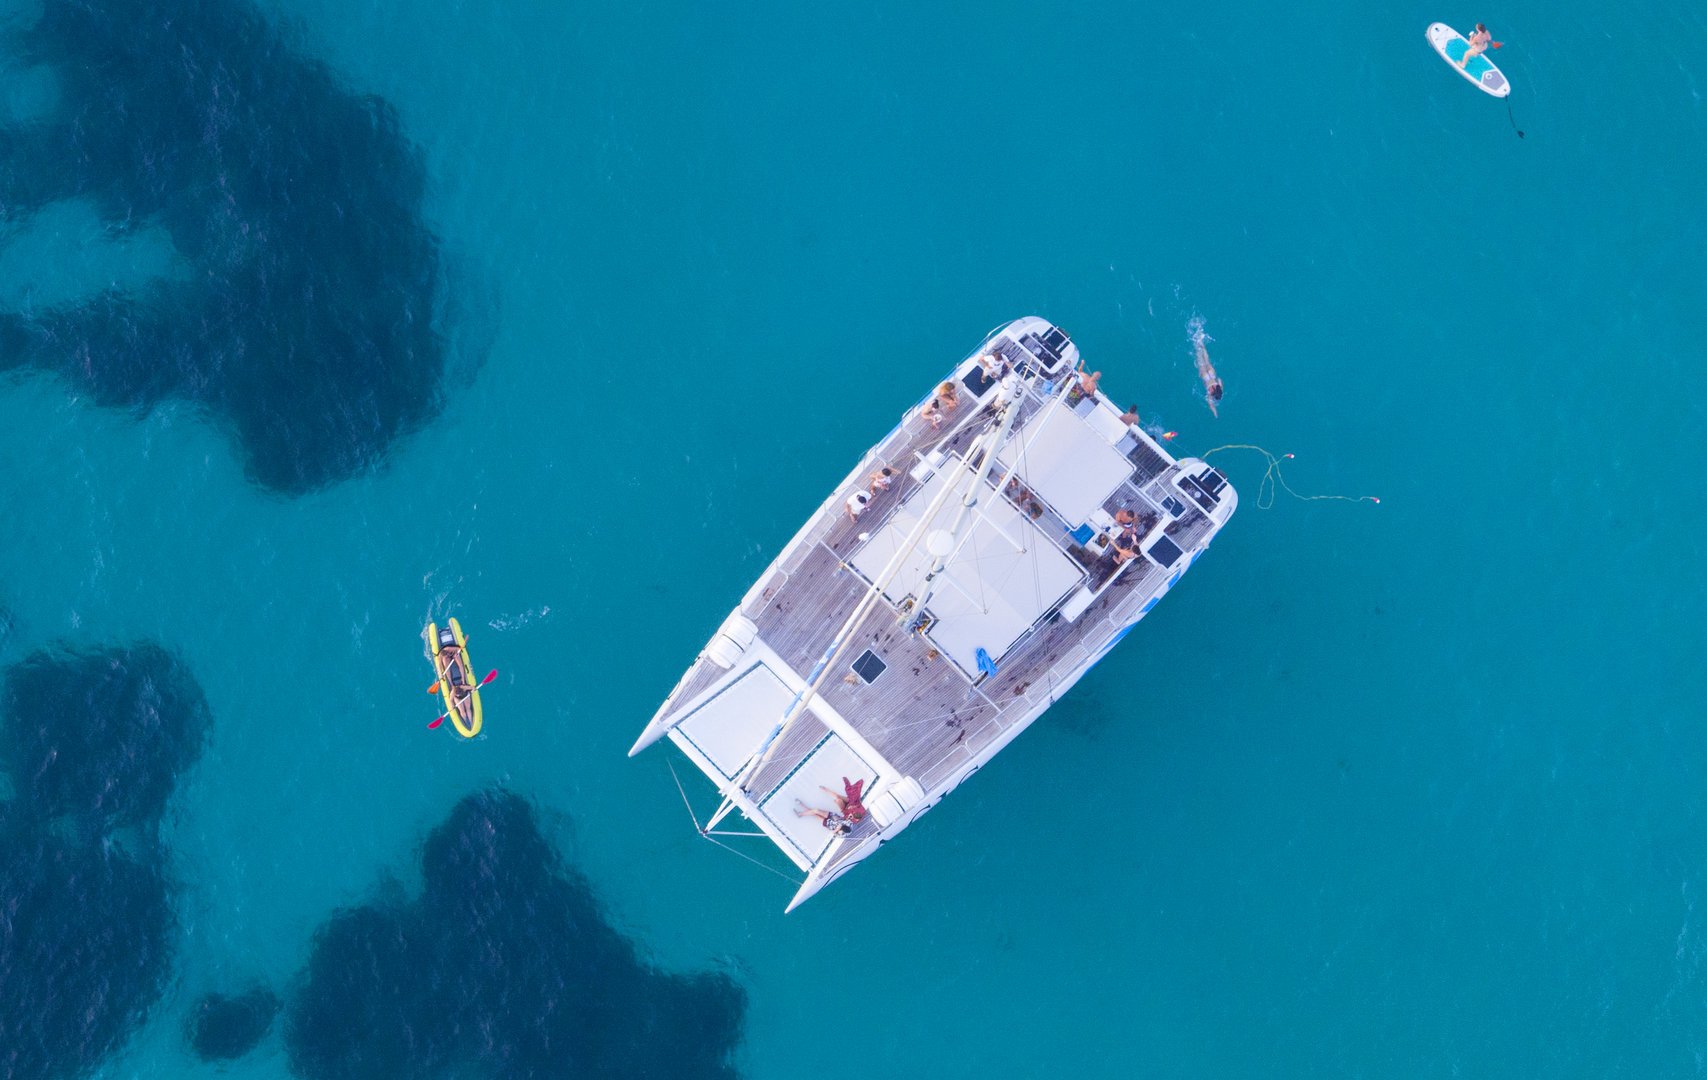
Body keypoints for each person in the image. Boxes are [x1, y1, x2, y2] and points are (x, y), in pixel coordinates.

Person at [1194, 335, 1223, 417]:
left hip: (1211, 374)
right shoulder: (1210, 395)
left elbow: (1219, 379)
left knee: (1207, 360)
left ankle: (1201, 341)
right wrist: (1215, 413)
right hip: (1205, 376)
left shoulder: (1219, 388)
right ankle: (1197, 342)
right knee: (1199, 358)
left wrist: (1217, 382)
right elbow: (1211, 406)